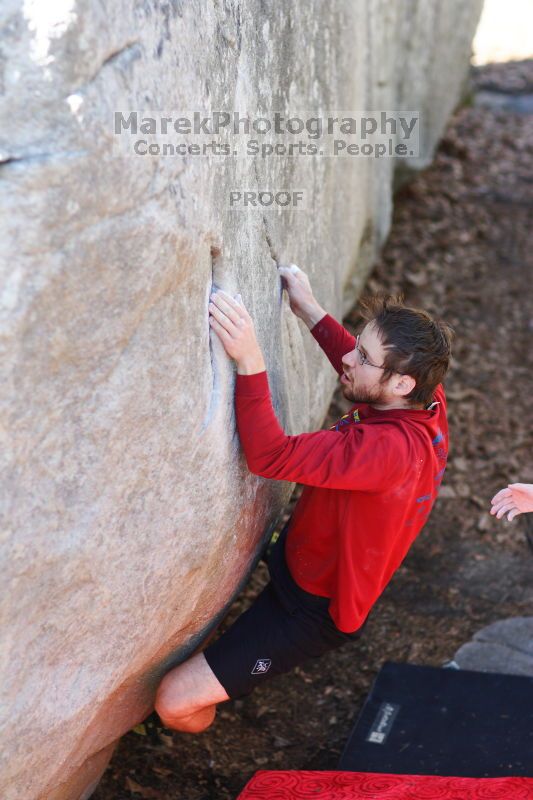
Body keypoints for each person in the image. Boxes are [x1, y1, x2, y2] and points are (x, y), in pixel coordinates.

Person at [155, 264, 453, 733]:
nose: (350, 360)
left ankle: (219, 697)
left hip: (310, 612)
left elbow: (269, 457)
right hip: (303, 562)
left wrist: (250, 359)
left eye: (363, 356)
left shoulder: (384, 452)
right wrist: (309, 309)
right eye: (357, 345)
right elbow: (366, 375)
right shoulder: (426, 401)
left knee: (175, 702)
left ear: (402, 385)